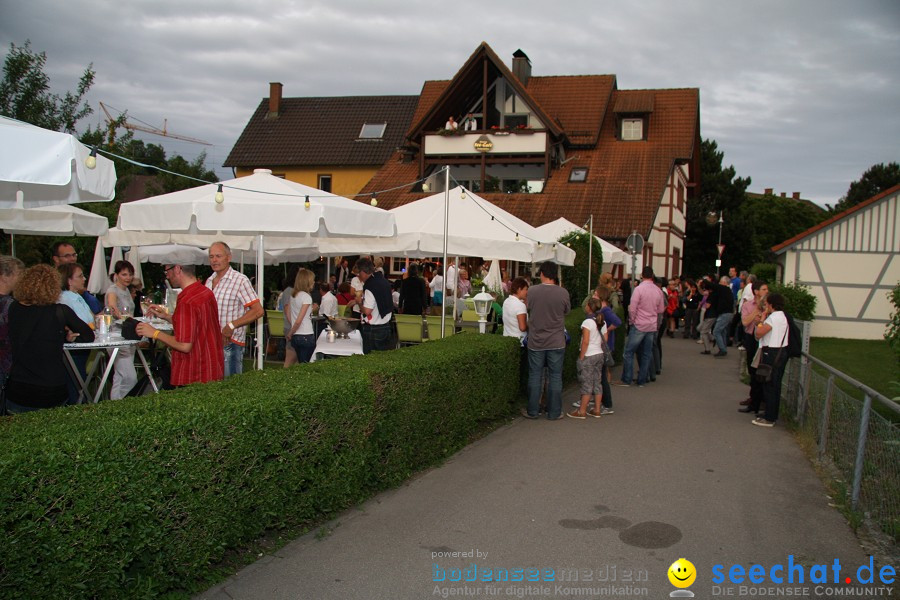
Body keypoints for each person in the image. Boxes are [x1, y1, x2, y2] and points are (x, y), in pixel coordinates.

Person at [6, 264, 94, 413]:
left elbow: (32, 334)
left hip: (18, 387)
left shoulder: (14, 308)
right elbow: (88, 335)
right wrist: (67, 338)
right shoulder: (60, 312)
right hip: (51, 389)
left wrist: (61, 336)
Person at [136, 264, 224, 386]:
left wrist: (154, 333)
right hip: (210, 368)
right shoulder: (205, 292)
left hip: (194, 373)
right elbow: (197, 326)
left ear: (177, 269)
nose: (167, 276)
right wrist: (167, 317)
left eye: (167, 271)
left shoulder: (187, 300)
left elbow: (184, 345)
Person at [206, 241, 264, 376]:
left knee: (230, 390)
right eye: (211, 256)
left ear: (229, 257)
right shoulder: (209, 281)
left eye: (218, 256)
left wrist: (231, 326)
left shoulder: (240, 280)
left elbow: (258, 310)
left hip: (231, 344)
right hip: (211, 343)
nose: (214, 260)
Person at [523, 262, 571, 420]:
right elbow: (567, 311)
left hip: (536, 340)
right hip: (556, 341)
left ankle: (533, 410)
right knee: (555, 376)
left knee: (535, 375)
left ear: (542, 273)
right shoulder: (563, 293)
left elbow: (527, 308)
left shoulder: (532, 291)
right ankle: (554, 412)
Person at [615, 267, 665, 387]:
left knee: (629, 352)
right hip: (651, 325)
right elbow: (661, 309)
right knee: (646, 353)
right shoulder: (658, 291)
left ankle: (627, 378)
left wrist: (632, 320)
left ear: (642, 275)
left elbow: (632, 308)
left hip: (639, 324)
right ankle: (642, 380)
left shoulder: (639, 289)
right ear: (652, 275)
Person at [58, 263, 95, 404]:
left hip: (83, 346)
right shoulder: (65, 298)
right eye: (80, 276)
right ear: (69, 281)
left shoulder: (76, 297)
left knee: (79, 382)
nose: (84, 278)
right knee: (76, 384)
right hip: (75, 348)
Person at [751, 293, 789, 427]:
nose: (765, 305)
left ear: (771, 304)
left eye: (767, 303)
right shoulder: (782, 316)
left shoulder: (773, 318)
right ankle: (771, 413)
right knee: (774, 384)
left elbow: (759, 333)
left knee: (770, 384)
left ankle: (769, 417)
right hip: (780, 351)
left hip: (771, 352)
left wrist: (760, 322)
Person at [568, 298, 606, 420]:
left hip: (589, 354)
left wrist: (581, 357)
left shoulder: (587, 322)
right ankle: (597, 409)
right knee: (597, 381)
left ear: (589, 307)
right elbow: (605, 337)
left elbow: (585, 341)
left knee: (586, 383)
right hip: (599, 354)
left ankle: (582, 411)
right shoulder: (602, 322)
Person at [106, 260, 137, 400]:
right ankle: (127, 404)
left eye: (130, 274)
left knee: (119, 375)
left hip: (128, 335)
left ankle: (115, 406)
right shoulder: (113, 290)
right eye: (124, 274)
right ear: (116, 275)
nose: (128, 278)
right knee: (130, 377)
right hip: (116, 336)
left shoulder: (127, 291)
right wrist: (121, 315)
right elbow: (112, 307)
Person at [739, 281, 769, 415]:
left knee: (762, 371)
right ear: (756, 292)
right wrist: (756, 311)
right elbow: (745, 322)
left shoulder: (768, 305)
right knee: (753, 370)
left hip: (764, 339)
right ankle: (754, 400)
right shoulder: (748, 305)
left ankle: (760, 400)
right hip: (751, 338)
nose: (766, 291)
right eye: (763, 289)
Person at [50, 240, 101, 313]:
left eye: (74, 255)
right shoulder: (50, 278)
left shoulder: (77, 271)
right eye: (67, 256)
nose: (72, 259)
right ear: (56, 259)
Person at [356, 257, 394, 353]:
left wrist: (359, 302)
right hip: (386, 326)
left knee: (370, 361)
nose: (358, 276)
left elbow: (368, 311)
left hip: (373, 329)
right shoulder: (384, 281)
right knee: (381, 360)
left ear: (363, 272)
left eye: (358, 273)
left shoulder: (370, 286)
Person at [0, 255, 25, 394]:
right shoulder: (11, 305)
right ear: (4, 275)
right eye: (19, 274)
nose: (22, 279)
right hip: (6, 365)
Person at [285, 268, 317, 363]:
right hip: (306, 334)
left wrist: (292, 330)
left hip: (296, 335)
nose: (314, 282)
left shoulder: (293, 295)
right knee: (307, 364)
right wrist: (291, 332)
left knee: (301, 361)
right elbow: (299, 320)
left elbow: (288, 313)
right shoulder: (306, 297)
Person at [711, 275, 735, 357]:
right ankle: (723, 347)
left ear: (724, 283)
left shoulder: (725, 290)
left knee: (716, 331)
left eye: (720, 282)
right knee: (723, 331)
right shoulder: (728, 291)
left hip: (725, 314)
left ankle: (722, 349)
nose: (719, 284)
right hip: (727, 313)